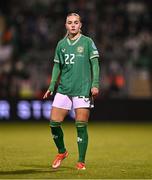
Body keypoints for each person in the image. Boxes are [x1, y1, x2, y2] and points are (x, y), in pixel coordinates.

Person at [43, 13, 100, 170]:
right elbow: (57, 66)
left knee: (80, 125)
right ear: (66, 25)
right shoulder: (61, 44)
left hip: (82, 89)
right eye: (70, 22)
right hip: (64, 89)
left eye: (76, 22)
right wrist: (51, 86)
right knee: (54, 124)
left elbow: (95, 64)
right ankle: (62, 151)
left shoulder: (88, 42)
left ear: (80, 25)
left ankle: (81, 161)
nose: (73, 25)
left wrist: (95, 84)